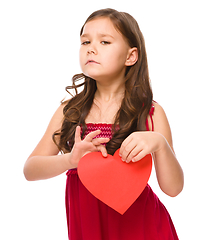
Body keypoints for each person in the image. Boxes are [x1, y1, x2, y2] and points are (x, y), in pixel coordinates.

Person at [24, 8, 184, 240]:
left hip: (144, 229)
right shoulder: (69, 111)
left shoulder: (150, 112)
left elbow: (173, 188)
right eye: (85, 41)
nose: (91, 47)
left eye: (105, 41)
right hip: (88, 229)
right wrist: (70, 160)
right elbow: (30, 169)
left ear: (131, 56)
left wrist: (159, 144)